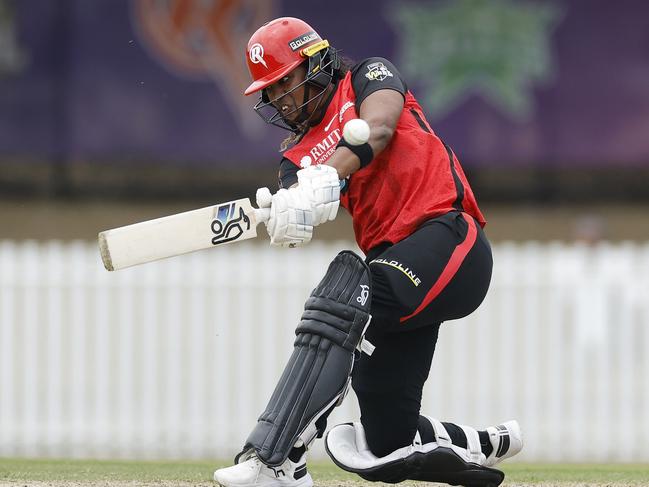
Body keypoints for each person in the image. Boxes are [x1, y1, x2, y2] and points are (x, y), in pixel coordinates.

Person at [214, 17, 523, 487]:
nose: (278, 99)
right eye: (269, 92)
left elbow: (377, 129)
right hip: (393, 267)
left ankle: (277, 458)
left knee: (341, 297)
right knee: (386, 440)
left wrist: (328, 174)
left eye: (285, 83)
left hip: (447, 236)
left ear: (315, 65)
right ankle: (478, 441)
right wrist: (288, 215)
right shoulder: (295, 158)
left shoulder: (368, 77)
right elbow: (303, 209)